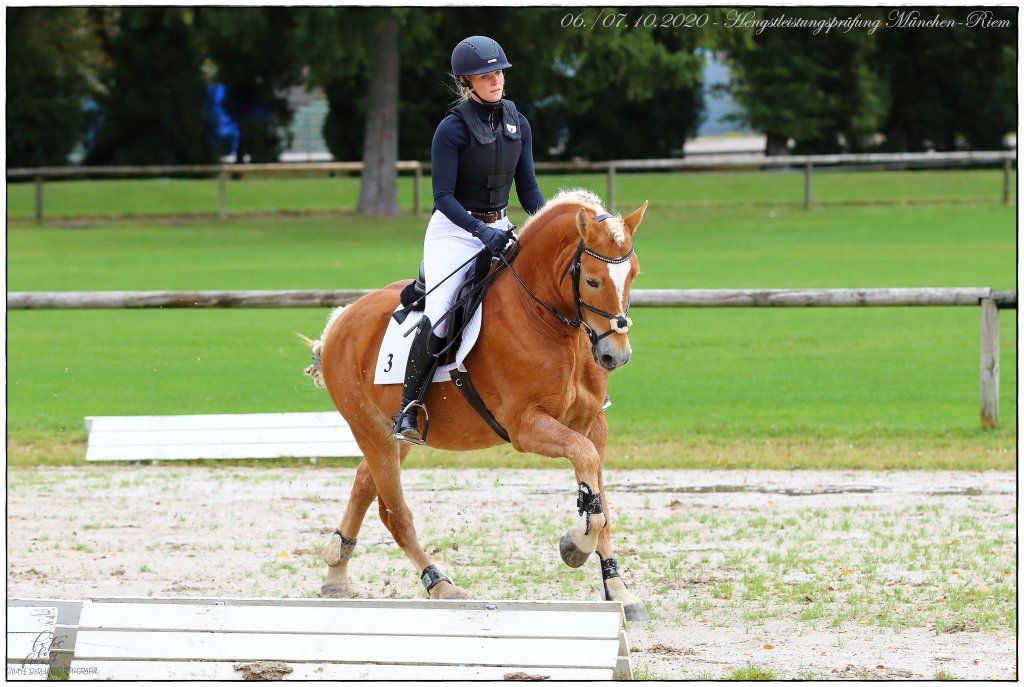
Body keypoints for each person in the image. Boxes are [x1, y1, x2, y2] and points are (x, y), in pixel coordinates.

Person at [391, 35, 546, 444]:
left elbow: (528, 189)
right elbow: (442, 198)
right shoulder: (452, 130)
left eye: (499, 72)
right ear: (466, 81)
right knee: (442, 311)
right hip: (455, 231)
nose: (496, 79)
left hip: (499, 226)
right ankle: (409, 408)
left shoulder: (518, 123)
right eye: (486, 74)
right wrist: (481, 233)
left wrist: (548, 222)